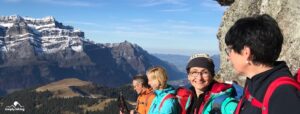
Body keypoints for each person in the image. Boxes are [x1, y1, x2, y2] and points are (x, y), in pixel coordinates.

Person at [225, 14, 300, 114]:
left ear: (246, 53)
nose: (228, 57)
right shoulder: (254, 81)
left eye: (230, 50)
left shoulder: (283, 94)